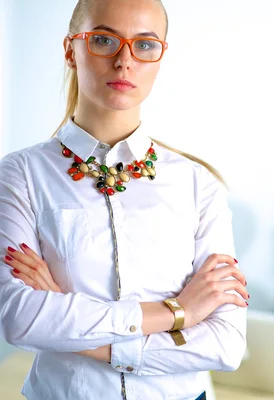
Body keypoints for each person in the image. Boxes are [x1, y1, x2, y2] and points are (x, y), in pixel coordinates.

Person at [0, 1, 249, 399]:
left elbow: (225, 345)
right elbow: (21, 320)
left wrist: (69, 321)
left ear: (160, 57)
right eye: (103, 40)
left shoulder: (198, 185)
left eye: (145, 45)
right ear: (70, 50)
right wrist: (176, 313)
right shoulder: (20, 175)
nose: (124, 61)